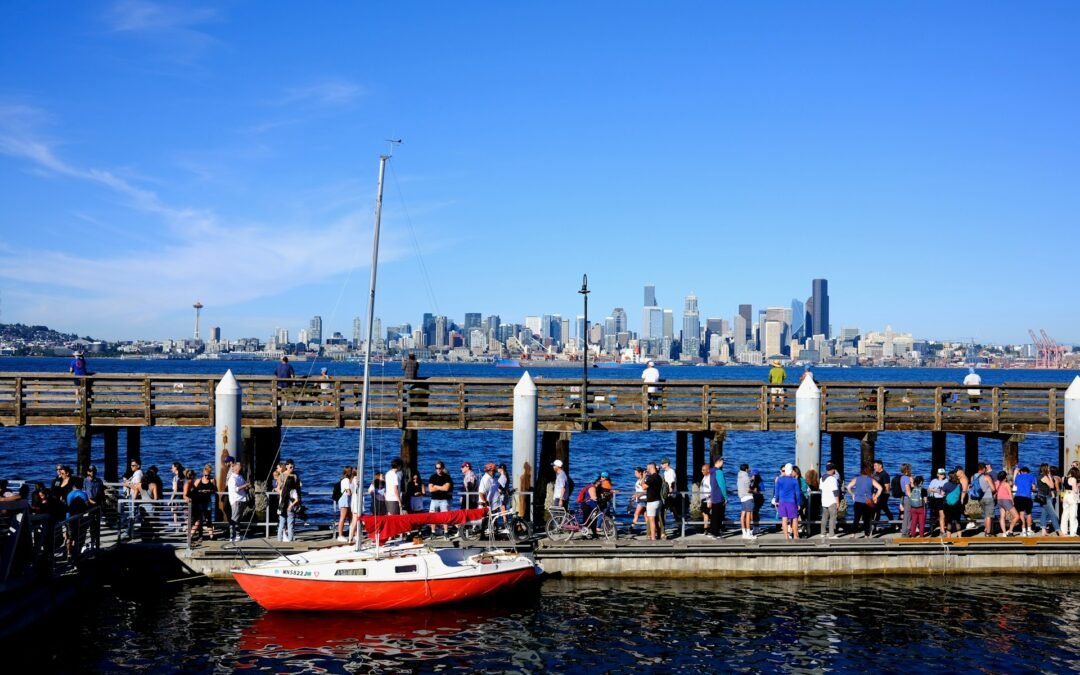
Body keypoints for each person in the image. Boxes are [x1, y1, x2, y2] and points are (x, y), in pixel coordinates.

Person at [847, 464, 883, 538]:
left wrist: (853, 494)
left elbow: (848, 487)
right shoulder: (871, 480)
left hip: (858, 501)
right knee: (867, 519)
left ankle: (853, 534)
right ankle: (866, 535)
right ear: (869, 472)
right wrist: (875, 496)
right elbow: (880, 488)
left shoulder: (856, 479)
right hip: (867, 502)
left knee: (856, 518)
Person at [774, 464, 802, 539]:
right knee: (794, 518)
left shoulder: (779, 480)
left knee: (784, 518)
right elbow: (797, 493)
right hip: (792, 501)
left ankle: (786, 536)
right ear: (791, 470)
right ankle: (796, 536)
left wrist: (777, 501)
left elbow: (777, 492)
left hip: (782, 501)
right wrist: (798, 503)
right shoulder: (794, 480)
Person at [191, 464, 217, 540]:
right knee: (198, 519)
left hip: (207, 502)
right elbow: (193, 490)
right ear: (203, 473)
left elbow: (215, 490)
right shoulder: (198, 481)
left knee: (208, 518)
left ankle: (211, 535)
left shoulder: (212, 480)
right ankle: (193, 535)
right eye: (205, 475)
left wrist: (209, 491)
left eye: (208, 475)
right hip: (199, 502)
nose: (207, 477)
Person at [428, 461, 453, 536]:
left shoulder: (447, 477)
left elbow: (446, 488)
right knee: (433, 516)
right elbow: (430, 489)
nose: (438, 470)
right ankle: (433, 532)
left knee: (445, 516)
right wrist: (441, 487)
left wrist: (436, 486)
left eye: (440, 468)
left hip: (443, 500)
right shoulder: (432, 477)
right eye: (436, 468)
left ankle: (446, 532)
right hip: (434, 500)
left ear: (442, 468)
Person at [1036, 463, 1061, 536]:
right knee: (1053, 514)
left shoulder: (1039, 476)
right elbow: (1052, 485)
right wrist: (1050, 476)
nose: (1049, 469)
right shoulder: (1044, 477)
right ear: (1045, 469)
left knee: (1044, 513)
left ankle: (1043, 531)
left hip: (1042, 496)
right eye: (1048, 468)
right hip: (1046, 497)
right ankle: (1059, 530)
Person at [226, 462, 249, 542]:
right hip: (236, 500)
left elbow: (243, 485)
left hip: (242, 499)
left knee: (238, 519)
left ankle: (238, 535)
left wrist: (246, 486)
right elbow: (235, 489)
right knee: (234, 519)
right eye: (239, 467)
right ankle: (232, 536)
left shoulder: (240, 476)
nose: (241, 468)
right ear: (235, 468)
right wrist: (245, 486)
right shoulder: (232, 478)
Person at [972, 462, 997, 536]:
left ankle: (986, 528)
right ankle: (988, 532)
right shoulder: (987, 477)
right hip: (988, 497)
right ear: (983, 469)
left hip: (980, 498)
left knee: (986, 515)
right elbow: (993, 489)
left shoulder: (973, 477)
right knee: (989, 516)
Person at [278, 463, 300, 542]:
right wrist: (291, 505)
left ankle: (279, 540)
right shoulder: (293, 490)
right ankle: (290, 540)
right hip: (290, 507)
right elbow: (296, 499)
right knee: (290, 524)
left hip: (282, 506)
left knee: (281, 524)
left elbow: (280, 495)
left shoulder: (282, 491)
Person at [84, 465, 104, 550]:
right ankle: (92, 541)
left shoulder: (99, 481)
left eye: (93, 471)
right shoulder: (85, 481)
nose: (91, 472)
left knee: (97, 524)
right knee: (92, 524)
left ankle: (97, 541)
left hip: (98, 503)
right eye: (90, 471)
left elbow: (102, 493)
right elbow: (85, 492)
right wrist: (89, 501)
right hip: (90, 504)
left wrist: (102, 504)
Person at [995, 470, 1020, 537]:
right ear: (1005, 477)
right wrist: (1013, 502)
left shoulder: (996, 483)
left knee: (1002, 516)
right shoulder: (1006, 484)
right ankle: (1010, 530)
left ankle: (1004, 532)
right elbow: (1010, 494)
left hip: (999, 500)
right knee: (1017, 516)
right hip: (1006, 500)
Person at [1013, 466, 1037, 536]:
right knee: (1029, 513)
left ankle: (1023, 531)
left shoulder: (1018, 477)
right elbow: (1034, 488)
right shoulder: (1031, 476)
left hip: (1018, 497)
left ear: (1021, 471)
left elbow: (1016, 484)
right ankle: (1029, 530)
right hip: (1027, 497)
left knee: (1021, 514)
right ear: (1028, 471)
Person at [819, 462, 841, 539]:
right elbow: (835, 491)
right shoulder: (832, 479)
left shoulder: (821, 478)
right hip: (832, 501)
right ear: (832, 470)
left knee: (824, 517)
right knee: (832, 517)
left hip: (824, 500)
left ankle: (823, 532)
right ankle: (831, 534)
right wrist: (837, 502)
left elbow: (821, 489)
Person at [871, 459, 892, 533]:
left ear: (880, 466)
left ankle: (874, 527)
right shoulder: (875, 473)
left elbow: (887, 487)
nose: (874, 467)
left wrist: (882, 495)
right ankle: (892, 522)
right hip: (876, 494)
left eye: (876, 465)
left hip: (883, 495)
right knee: (881, 509)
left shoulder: (885, 474)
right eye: (874, 466)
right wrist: (874, 494)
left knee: (878, 509)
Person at [644, 462, 663, 541]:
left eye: (647, 468)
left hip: (652, 501)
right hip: (658, 500)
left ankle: (653, 537)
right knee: (657, 519)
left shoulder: (651, 478)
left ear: (651, 468)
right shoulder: (659, 477)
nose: (647, 470)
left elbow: (644, 487)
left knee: (651, 520)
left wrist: (643, 478)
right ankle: (659, 535)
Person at [660, 457, 680, 528]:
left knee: (665, 509)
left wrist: (670, 491)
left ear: (667, 464)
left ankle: (662, 526)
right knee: (672, 509)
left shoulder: (671, 471)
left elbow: (672, 482)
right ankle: (679, 524)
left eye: (663, 464)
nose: (661, 465)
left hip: (670, 494)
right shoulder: (665, 472)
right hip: (667, 494)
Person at [928, 468, 949, 535]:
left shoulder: (946, 480)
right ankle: (939, 530)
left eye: (943, 474)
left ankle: (943, 529)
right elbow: (929, 489)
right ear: (938, 474)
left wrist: (935, 489)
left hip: (944, 499)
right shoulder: (934, 481)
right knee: (937, 515)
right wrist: (936, 490)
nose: (942, 475)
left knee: (943, 515)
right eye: (941, 474)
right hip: (936, 499)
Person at [737, 462, 755, 539]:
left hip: (742, 497)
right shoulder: (746, 477)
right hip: (748, 497)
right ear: (746, 469)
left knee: (742, 516)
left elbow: (743, 485)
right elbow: (748, 490)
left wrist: (751, 480)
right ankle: (748, 533)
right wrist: (754, 491)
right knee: (748, 516)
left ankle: (744, 533)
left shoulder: (739, 476)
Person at [1061, 467, 1080, 536]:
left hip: (1065, 495)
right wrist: (1078, 485)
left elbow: (1063, 488)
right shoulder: (1073, 479)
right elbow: (1075, 490)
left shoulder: (1064, 478)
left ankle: (1063, 531)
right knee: (1073, 515)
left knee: (1065, 514)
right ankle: (1073, 532)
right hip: (1072, 496)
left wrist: (1062, 496)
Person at [336, 466, 353, 542]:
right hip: (344, 499)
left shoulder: (343, 479)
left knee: (350, 517)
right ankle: (340, 535)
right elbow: (348, 492)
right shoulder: (346, 480)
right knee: (343, 517)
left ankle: (352, 533)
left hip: (345, 499)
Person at [630, 467, 648, 533]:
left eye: (636, 473)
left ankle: (631, 527)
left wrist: (637, 495)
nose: (635, 474)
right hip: (640, 499)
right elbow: (639, 490)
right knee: (646, 516)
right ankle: (650, 530)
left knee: (636, 514)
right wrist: (635, 495)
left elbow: (645, 491)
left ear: (640, 473)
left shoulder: (644, 480)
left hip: (643, 499)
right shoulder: (638, 480)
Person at [699, 463, 712, 531]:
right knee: (704, 513)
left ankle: (706, 528)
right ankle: (706, 527)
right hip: (703, 498)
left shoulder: (709, 478)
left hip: (707, 499)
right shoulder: (705, 477)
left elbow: (711, 490)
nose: (702, 471)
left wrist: (710, 500)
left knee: (706, 513)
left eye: (703, 470)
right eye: (702, 470)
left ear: (708, 470)